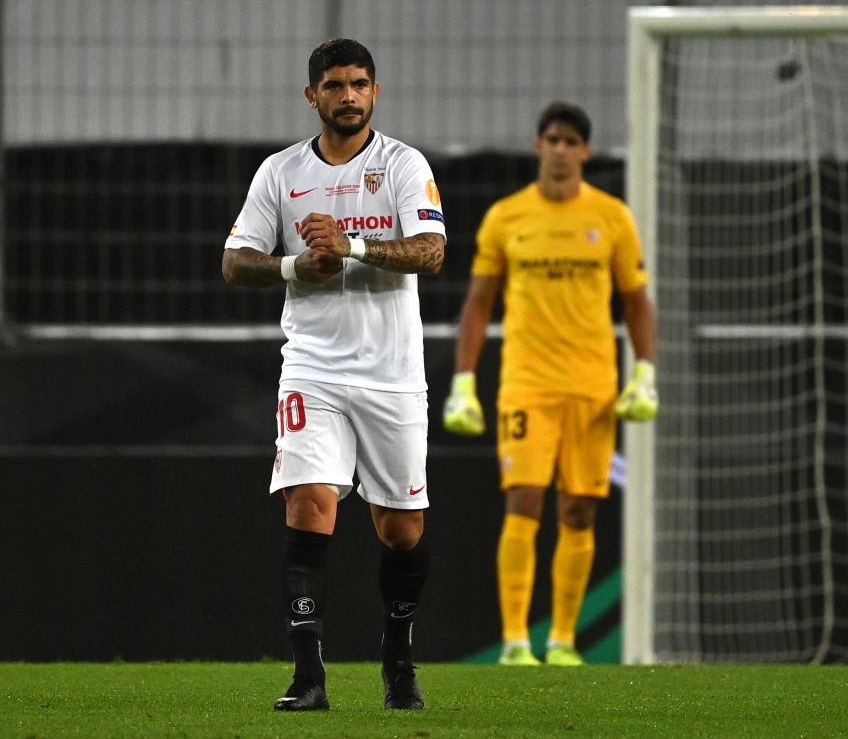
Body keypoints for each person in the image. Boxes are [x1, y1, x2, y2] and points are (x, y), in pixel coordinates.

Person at [222, 38, 446, 710]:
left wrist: (348, 245)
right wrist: (297, 266)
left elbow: (431, 252)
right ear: (311, 95)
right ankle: (307, 675)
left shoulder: (403, 165)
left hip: (392, 374)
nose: (347, 95)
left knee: (400, 529)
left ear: (375, 93)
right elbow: (236, 262)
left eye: (359, 84)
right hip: (313, 368)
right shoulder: (281, 173)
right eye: (334, 85)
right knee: (308, 502)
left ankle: (397, 660)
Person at [442, 101, 658, 666]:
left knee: (580, 511)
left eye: (571, 141)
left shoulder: (612, 217)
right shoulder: (507, 217)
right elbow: (478, 303)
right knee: (524, 501)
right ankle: (516, 640)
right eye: (552, 139)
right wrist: (463, 381)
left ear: (585, 151)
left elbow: (636, 303)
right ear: (538, 145)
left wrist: (645, 373)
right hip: (527, 384)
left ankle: (562, 640)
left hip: (592, 387)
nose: (560, 149)